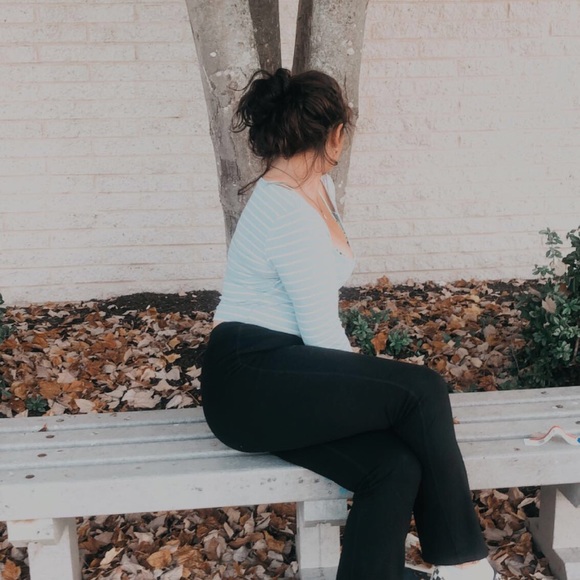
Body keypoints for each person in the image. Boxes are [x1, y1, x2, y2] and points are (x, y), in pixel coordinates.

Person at [200, 68, 497, 580]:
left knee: (394, 466)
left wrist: (367, 400)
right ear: (334, 133)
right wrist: (373, 402)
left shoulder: (319, 188)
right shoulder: (286, 211)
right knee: (421, 392)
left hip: (282, 378)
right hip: (249, 379)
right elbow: (320, 331)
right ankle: (466, 567)